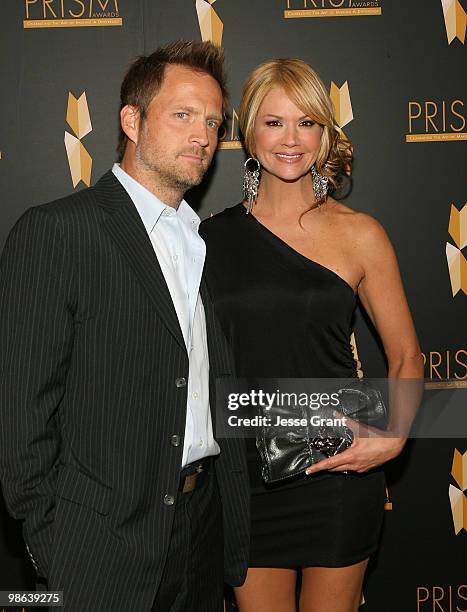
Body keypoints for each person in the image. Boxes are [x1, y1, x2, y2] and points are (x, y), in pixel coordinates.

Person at [0, 40, 250, 612]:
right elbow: (20, 414)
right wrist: (55, 550)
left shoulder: (201, 241)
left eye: (213, 121)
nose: (203, 136)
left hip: (201, 533)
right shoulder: (59, 232)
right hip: (99, 548)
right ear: (131, 120)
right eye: (183, 115)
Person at [200, 58, 424, 612]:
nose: (291, 139)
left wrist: (393, 435)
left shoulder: (361, 235)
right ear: (247, 132)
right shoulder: (206, 238)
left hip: (336, 467)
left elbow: (407, 355)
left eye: (307, 122)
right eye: (274, 122)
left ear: (325, 133)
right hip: (244, 469)